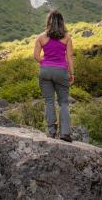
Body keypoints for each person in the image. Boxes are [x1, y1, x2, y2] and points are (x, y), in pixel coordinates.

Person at [33, 9, 74, 142]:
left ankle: (51, 132)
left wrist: (45, 63)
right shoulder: (67, 37)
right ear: (61, 22)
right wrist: (71, 73)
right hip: (61, 71)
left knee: (49, 101)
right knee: (63, 102)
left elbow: (36, 56)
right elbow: (70, 57)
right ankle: (65, 133)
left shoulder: (41, 37)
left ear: (48, 21)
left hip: (45, 71)